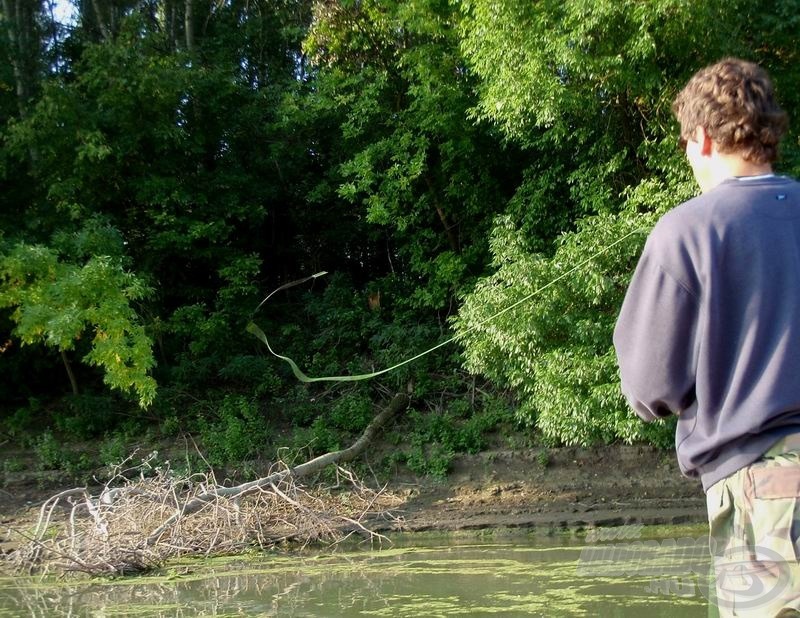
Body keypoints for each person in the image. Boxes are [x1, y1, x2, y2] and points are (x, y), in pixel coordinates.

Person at [613, 58, 800, 616]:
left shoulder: (685, 230)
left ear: (702, 138)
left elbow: (649, 386)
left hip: (764, 492)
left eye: (685, 143)